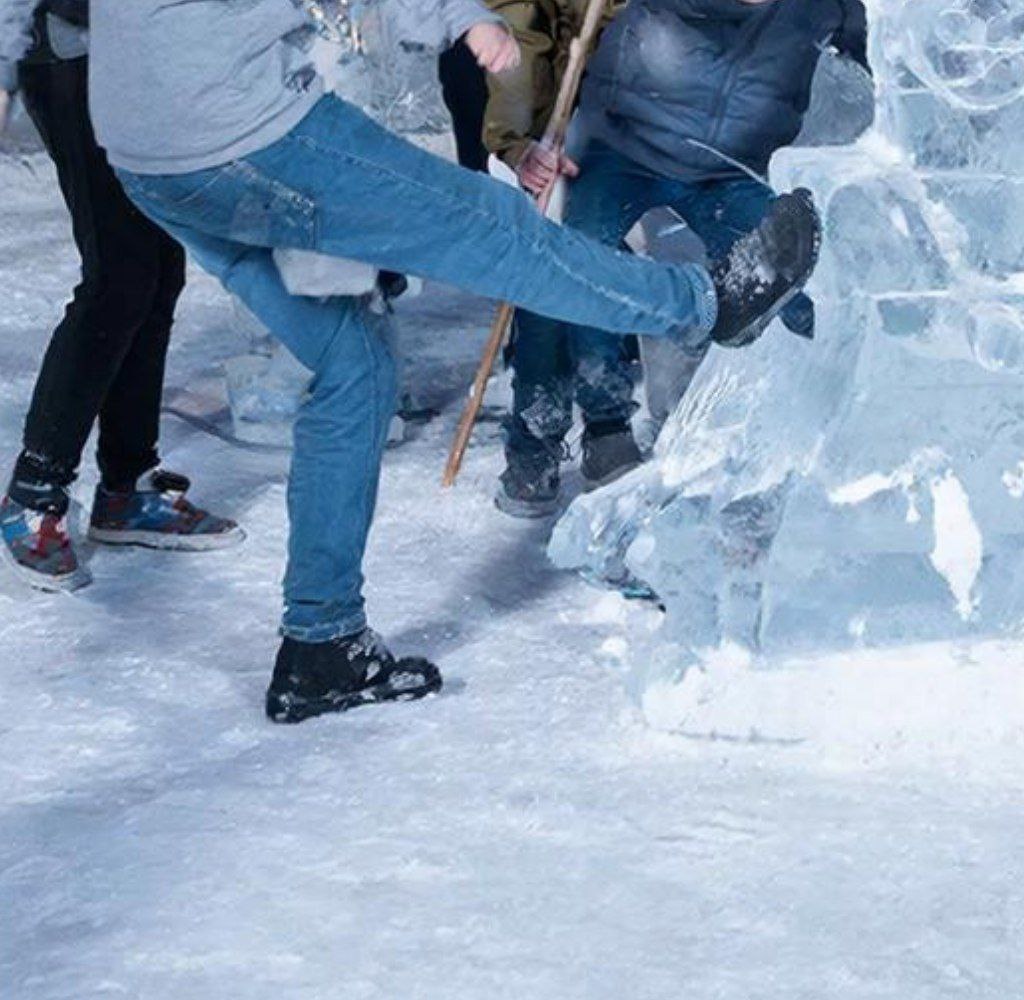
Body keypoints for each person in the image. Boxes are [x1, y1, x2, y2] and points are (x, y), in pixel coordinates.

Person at [24, 0, 818, 723]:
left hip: (148, 156)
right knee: (495, 228)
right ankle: (709, 302)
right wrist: (458, 18)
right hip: (243, 129)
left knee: (351, 361)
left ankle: (321, 644)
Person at [493, 0, 867, 517]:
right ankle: (561, 433)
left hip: (732, 168)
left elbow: (887, 60)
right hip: (622, 144)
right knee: (573, 270)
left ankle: (844, 433)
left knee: (804, 273)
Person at [0, 0, 243, 594]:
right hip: (69, 54)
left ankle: (126, 486)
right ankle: (34, 493)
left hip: (141, 54)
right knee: (119, 272)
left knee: (160, 266)